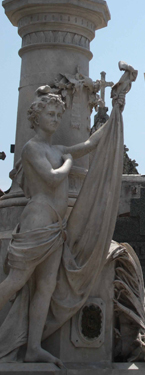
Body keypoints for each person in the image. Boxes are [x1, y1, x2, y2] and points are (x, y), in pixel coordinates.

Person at [0, 87, 107, 366]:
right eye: (50, 113)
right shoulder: (31, 148)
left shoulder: (56, 149)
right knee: (16, 281)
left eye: (59, 114)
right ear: (36, 117)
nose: (56, 118)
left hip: (56, 226)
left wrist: (114, 116)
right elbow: (51, 178)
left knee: (46, 287)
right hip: (37, 219)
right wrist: (69, 164)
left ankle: (33, 347)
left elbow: (88, 145)